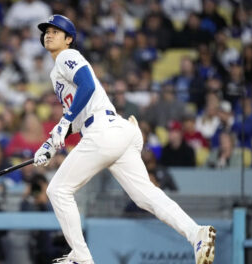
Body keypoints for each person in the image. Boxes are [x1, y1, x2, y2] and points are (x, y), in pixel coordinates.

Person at [33, 15, 216, 264]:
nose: (49, 34)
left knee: (58, 190)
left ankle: (81, 258)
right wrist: (51, 143)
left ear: (69, 39)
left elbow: (86, 86)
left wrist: (64, 123)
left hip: (103, 131)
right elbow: (78, 113)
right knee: (146, 196)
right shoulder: (57, 71)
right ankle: (197, 233)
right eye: (47, 31)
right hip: (116, 131)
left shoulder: (67, 56)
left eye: (56, 31)